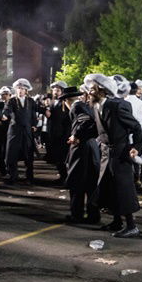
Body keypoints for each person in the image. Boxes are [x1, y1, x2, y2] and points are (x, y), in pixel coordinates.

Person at [84, 74, 142, 238]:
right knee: (109, 187)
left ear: (102, 90)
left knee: (124, 190)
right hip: (105, 152)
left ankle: (132, 226)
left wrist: (136, 148)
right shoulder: (96, 106)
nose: (89, 91)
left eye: (92, 88)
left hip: (120, 153)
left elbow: (136, 127)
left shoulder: (117, 106)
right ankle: (117, 221)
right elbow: (98, 129)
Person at [64, 85, 101, 224]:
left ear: (66, 100)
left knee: (76, 181)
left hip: (81, 149)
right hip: (91, 147)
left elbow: (86, 121)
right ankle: (93, 215)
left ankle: (76, 214)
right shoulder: (87, 106)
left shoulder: (76, 106)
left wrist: (76, 134)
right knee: (91, 182)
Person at [4, 78, 39, 185]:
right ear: (15, 89)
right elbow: (7, 109)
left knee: (28, 155)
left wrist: (34, 125)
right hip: (14, 131)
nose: (20, 90)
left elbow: (34, 115)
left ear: (26, 90)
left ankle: (29, 177)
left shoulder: (31, 101)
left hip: (27, 131)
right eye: (18, 88)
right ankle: (13, 176)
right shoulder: (12, 100)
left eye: (22, 89)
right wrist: (5, 115)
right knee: (11, 154)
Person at [44, 81, 71, 183]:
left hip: (63, 134)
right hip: (53, 133)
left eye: (58, 90)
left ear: (62, 91)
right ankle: (62, 176)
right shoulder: (52, 102)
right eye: (54, 90)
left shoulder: (65, 103)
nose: (55, 92)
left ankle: (66, 178)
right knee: (57, 157)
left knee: (63, 157)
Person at [0, 86, 12, 177]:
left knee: (9, 150)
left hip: (10, 129)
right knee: (1, 150)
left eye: (6, 94)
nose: (5, 96)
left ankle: (9, 168)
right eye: (3, 94)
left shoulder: (13, 103)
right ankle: (3, 169)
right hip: (0, 130)